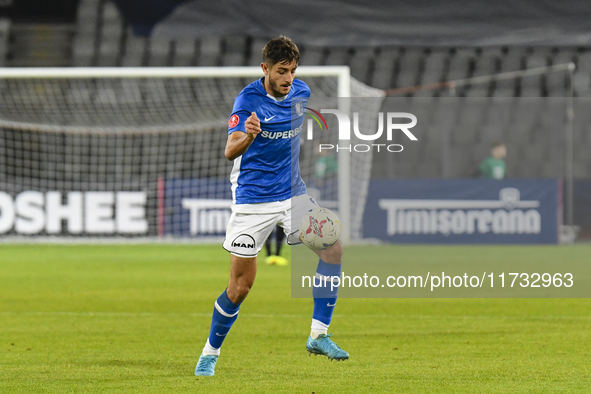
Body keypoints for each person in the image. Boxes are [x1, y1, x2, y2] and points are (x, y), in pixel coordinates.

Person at [194, 36, 348, 377]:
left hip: (292, 195)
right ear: (265, 68)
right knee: (240, 288)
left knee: (333, 249)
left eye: (292, 70)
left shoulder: (301, 93)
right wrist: (248, 135)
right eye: (281, 71)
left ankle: (318, 335)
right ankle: (209, 353)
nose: (288, 78)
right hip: (253, 202)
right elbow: (230, 151)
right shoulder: (248, 100)